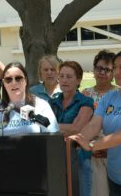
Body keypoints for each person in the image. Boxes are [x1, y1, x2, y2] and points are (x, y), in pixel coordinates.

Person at [70, 49, 121, 196]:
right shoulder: (109, 98)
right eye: (115, 67)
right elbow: (94, 125)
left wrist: (91, 145)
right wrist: (77, 139)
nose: (117, 72)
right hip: (116, 177)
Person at [49, 61, 94, 196]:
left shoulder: (85, 102)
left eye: (69, 77)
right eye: (61, 76)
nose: (64, 80)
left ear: (78, 80)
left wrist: (50, 125)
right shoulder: (52, 102)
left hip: (79, 158)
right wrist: (63, 128)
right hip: (56, 158)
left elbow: (76, 128)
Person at [0, 62, 59, 136]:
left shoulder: (41, 105)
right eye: (8, 79)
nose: (14, 83)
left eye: (18, 78)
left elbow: (53, 137)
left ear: (26, 81)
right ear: (4, 83)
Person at [82, 50, 117, 196]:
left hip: (115, 149)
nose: (102, 72)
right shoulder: (85, 93)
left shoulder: (119, 94)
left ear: (113, 73)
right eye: (99, 68)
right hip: (91, 150)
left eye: (107, 69)